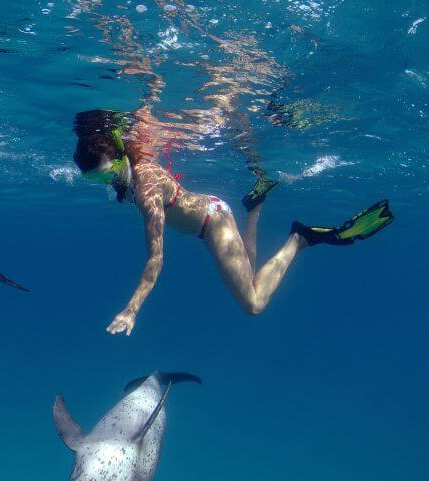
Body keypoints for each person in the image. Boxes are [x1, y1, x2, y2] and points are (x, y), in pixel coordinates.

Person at [73, 109, 394, 335]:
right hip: (209, 212)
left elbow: (155, 259)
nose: (103, 182)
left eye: (105, 174)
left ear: (118, 159)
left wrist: (131, 309)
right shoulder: (125, 167)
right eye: (92, 179)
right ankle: (255, 206)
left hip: (213, 222)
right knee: (249, 268)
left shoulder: (147, 192)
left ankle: (300, 239)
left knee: (253, 303)